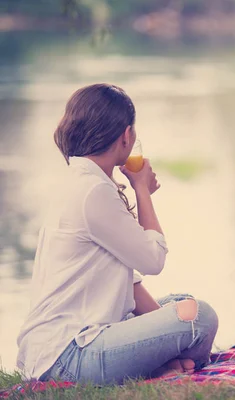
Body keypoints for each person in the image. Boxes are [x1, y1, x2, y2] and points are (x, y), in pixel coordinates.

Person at [16, 84, 218, 384]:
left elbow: (131, 287)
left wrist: (172, 324)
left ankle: (167, 364)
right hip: (68, 356)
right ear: (126, 135)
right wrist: (142, 190)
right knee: (200, 316)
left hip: (62, 349)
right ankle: (170, 365)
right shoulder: (93, 191)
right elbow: (153, 261)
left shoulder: (84, 181)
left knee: (181, 303)